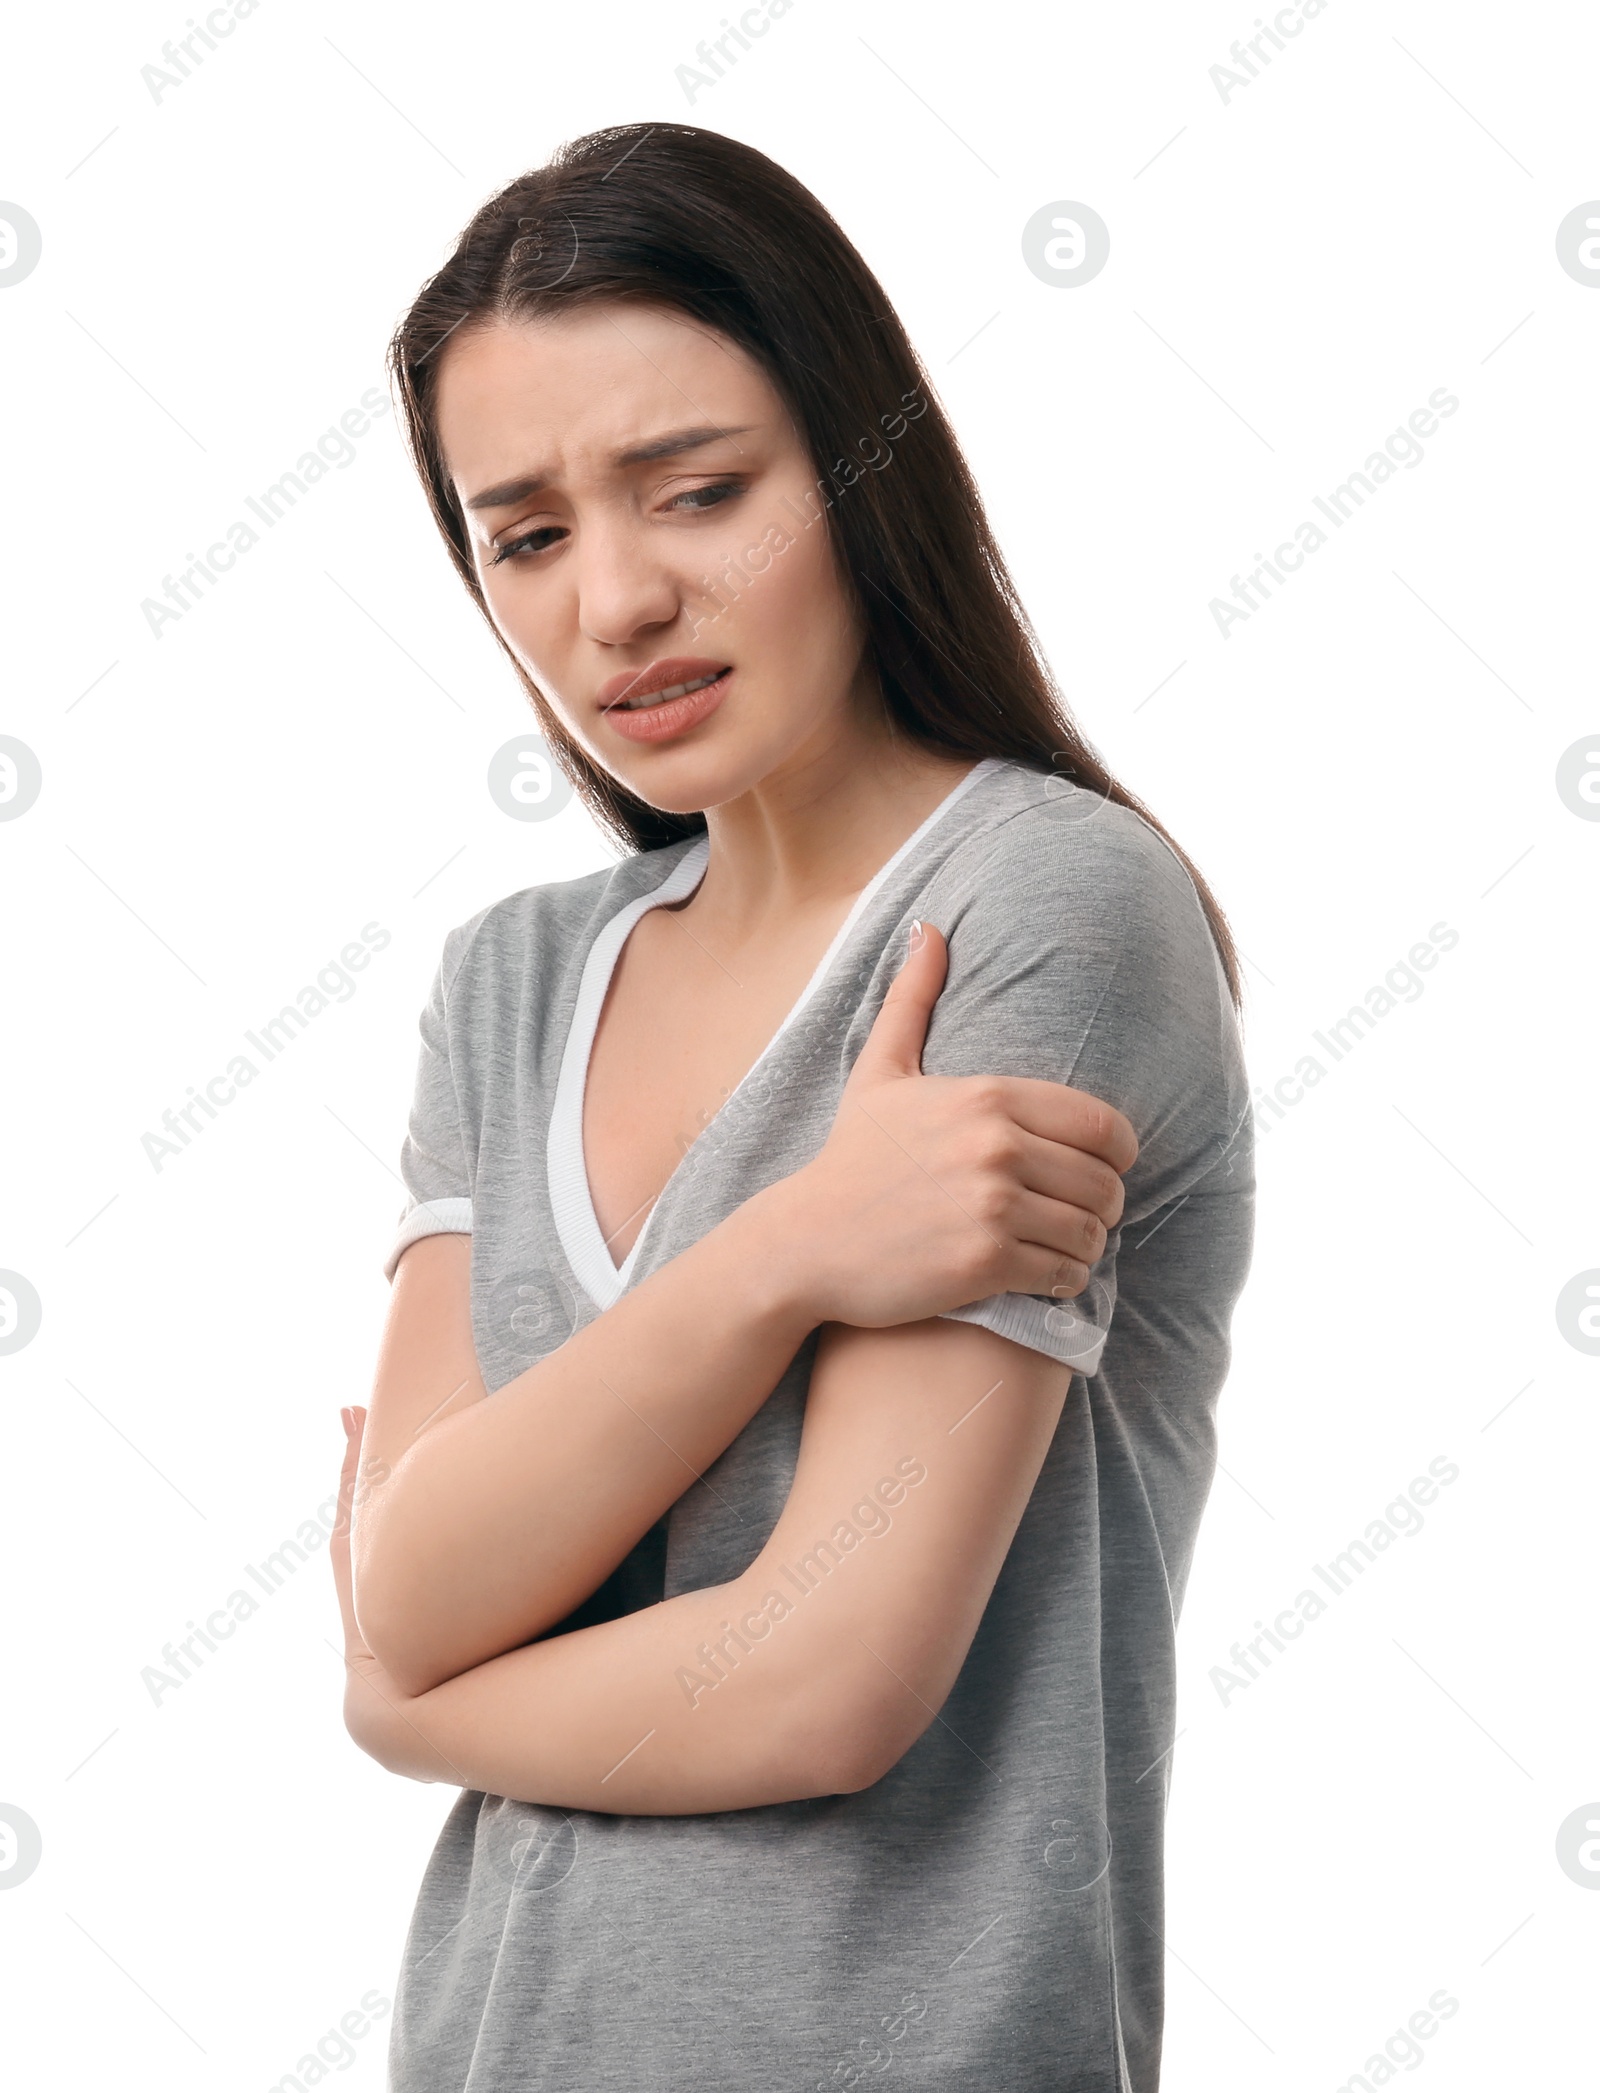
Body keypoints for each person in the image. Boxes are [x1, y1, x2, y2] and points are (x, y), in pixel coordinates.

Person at [328, 123, 1254, 2093]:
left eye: (699, 492)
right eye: (529, 534)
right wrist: (785, 1255)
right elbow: (412, 1586)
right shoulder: (509, 982)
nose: (619, 604)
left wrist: (417, 1706)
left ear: (856, 470)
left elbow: (827, 1679)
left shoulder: (1037, 910)